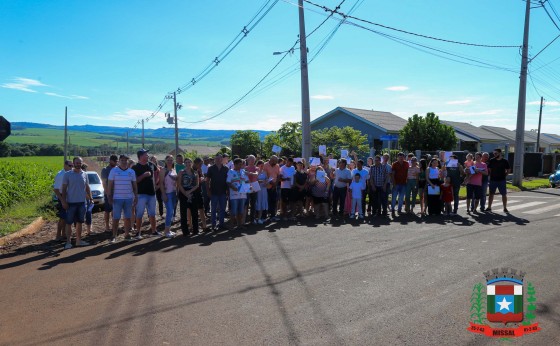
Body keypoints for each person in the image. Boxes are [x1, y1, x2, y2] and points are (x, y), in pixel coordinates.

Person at [61, 157, 92, 249]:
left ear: (82, 163)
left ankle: (78, 241)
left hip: (82, 203)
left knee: (80, 222)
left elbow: (87, 187)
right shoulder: (67, 175)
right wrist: (64, 201)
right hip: (71, 203)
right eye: (77, 163)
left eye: (80, 163)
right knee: (69, 223)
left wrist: (90, 198)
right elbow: (64, 189)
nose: (78, 164)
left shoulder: (84, 174)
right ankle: (68, 242)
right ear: (73, 163)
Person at [107, 154, 138, 242]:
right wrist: (109, 196)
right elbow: (110, 184)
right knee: (116, 218)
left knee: (127, 217)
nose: (124, 162)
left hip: (128, 198)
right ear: (119, 161)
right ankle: (114, 236)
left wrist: (136, 196)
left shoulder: (131, 172)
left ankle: (127, 235)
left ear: (127, 161)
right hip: (117, 198)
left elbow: (134, 185)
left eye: (125, 160)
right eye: (122, 160)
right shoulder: (114, 171)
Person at [132, 148, 159, 238]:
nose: (147, 156)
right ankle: (138, 232)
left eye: (147, 154)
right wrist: (144, 175)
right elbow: (135, 181)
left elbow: (157, 171)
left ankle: (154, 231)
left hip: (152, 193)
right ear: (140, 156)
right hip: (141, 194)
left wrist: (156, 182)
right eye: (145, 154)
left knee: (152, 213)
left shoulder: (151, 164)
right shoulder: (135, 167)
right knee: (139, 214)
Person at [206, 153, 229, 230]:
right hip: (214, 192)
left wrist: (228, 191)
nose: (218, 160)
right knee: (213, 209)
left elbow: (228, 181)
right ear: (214, 160)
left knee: (222, 209)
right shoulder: (211, 168)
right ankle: (213, 224)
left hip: (223, 192)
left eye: (220, 159)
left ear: (222, 160)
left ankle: (221, 224)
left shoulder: (226, 169)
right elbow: (207, 180)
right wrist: (208, 190)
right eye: (216, 159)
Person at [178, 158, 200, 236]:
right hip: (183, 193)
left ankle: (195, 230)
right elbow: (179, 184)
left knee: (194, 212)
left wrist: (189, 192)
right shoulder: (181, 172)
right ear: (184, 163)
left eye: (189, 162)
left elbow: (197, 184)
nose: (188, 163)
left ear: (191, 163)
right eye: (186, 162)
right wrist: (185, 193)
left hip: (193, 192)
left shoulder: (195, 172)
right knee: (183, 213)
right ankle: (185, 231)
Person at [53, 160, 73, 241]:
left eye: (72, 165)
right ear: (65, 165)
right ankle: (58, 236)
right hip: (62, 196)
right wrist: (62, 200)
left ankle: (63, 234)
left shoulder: (69, 173)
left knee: (66, 217)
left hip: (68, 196)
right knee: (62, 217)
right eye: (70, 165)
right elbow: (56, 189)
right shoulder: (61, 175)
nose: (71, 167)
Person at [486, 148, 511, 213]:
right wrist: (492, 175)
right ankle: (489, 207)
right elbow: (489, 169)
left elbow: (508, 170)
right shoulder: (492, 160)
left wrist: (505, 175)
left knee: (504, 194)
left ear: (500, 153)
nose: (494, 155)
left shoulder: (505, 161)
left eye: (496, 153)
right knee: (491, 194)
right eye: (494, 153)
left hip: (502, 180)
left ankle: (505, 208)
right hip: (493, 180)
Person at [159, 155, 178, 238]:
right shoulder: (163, 170)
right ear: (165, 161)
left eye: (171, 160)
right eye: (168, 160)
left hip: (174, 193)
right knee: (170, 212)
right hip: (167, 193)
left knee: (172, 212)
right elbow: (161, 183)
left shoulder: (174, 170)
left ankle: (168, 229)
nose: (170, 161)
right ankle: (166, 231)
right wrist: (163, 194)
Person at [226, 158, 248, 229]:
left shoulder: (243, 171)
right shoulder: (230, 171)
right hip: (234, 195)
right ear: (234, 164)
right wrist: (233, 188)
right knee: (234, 211)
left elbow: (247, 181)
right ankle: (232, 225)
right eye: (239, 164)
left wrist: (250, 187)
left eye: (241, 164)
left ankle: (240, 225)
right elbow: (228, 182)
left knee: (241, 211)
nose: (241, 166)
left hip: (243, 194)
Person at [100, 155, 117, 233]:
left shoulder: (117, 169)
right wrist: (108, 193)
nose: (116, 163)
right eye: (115, 161)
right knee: (107, 210)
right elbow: (104, 183)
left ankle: (114, 225)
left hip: (117, 193)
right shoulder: (105, 170)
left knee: (115, 210)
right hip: (109, 193)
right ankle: (107, 225)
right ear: (111, 161)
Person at [192, 158, 208, 231]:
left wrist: (202, 179)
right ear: (195, 163)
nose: (201, 165)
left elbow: (201, 177)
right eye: (200, 164)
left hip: (199, 191)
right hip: (192, 192)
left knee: (201, 209)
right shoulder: (191, 170)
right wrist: (200, 180)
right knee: (193, 210)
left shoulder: (199, 170)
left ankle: (204, 226)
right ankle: (192, 226)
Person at [263, 155, 280, 221]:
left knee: (273, 201)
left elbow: (278, 175)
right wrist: (272, 183)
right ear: (271, 160)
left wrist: (275, 184)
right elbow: (265, 176)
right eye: (275, 161)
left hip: (274, 187)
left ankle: (272, 215)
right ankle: (264, 216)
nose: (276, 163)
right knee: (266, 201)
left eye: (276, 161)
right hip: (267, 186)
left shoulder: (277, 166)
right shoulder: (265, 165)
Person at [244, 155, 259, 224]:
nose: (252, 161)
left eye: (253, 160)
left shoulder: (256, 168)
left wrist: (249, 173)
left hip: (254, 186)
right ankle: (245, 218)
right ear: (248, 160)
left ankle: (252, 219)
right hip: (247, 186)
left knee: (253, 203)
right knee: (246, 203)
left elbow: (256, 174)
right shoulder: (245, 168)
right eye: (251, 160)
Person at [81, 163, 93, 236]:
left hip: (82, 198)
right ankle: (89, 230)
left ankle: (84, 230)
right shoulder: (84, 174)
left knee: (83, 214)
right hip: (84, 198)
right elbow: (86, 187)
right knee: (88, 214)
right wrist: (89, 196)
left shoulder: (82, 174)